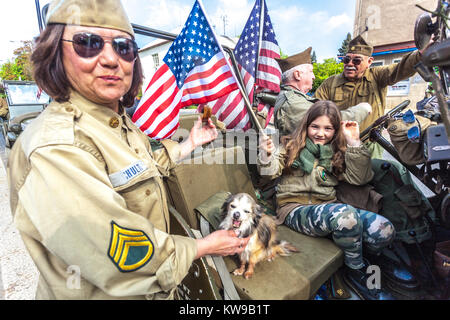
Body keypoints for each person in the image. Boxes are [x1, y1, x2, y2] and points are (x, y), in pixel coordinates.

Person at [7, 0, 249, 300]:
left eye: (123, 47)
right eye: (88, 43)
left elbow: (139, 170)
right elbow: (124, 257)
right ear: (55, 53)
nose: (111, 59)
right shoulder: (56, 146)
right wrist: (205, 246)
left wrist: (190, 143)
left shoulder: (114, 121)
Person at [258, 100, 396, 300]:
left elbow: (361, 178)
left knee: (384, 229)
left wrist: (354, 142)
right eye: (315, 126)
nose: (320, 133)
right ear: (306, 125)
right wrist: (265, 154)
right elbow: (268, 174)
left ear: (335, 129)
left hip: (329, 208)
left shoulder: (338, 151)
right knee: (345, 216)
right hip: (294, 209)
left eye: (328, 128)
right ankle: (355, 270)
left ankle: (352, 251)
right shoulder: (289, 144)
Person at [314, 35, 426, 158]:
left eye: (356, 60)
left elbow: (401, 68)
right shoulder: (330, 83)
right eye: (346, 60)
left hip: (369, 145)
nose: (350, 64)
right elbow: (315, 110)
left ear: (369, 62)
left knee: (376, 175)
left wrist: (421, 54)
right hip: (339, 145)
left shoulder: (376, 76)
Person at [274, 47, 372, 137]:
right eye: (311, 71)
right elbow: (328, 122)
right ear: (297, 75)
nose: (314, 76)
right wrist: (362, 109)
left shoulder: (293, 98)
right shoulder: (293, 102)